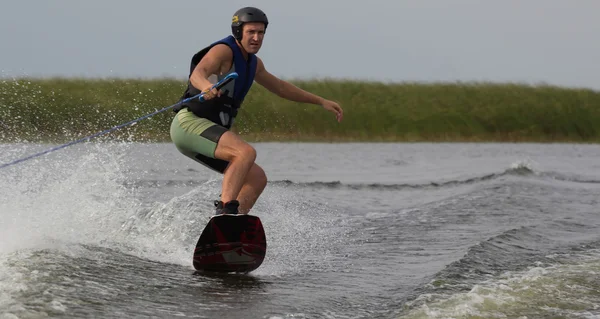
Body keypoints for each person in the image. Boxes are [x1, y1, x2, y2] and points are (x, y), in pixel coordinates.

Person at [170, 7, 343, 215]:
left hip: (206, 136)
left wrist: (320, 101)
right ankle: (225, 211)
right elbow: (199, 73)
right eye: (251, 32)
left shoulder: (254, 64)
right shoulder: (223, 51)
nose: (256, 38)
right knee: (245, 153)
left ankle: (234, 224)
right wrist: (206, 86)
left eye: (261, 33)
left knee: (257, 178)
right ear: (238, 32)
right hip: (189, 125)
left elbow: (280, 87)